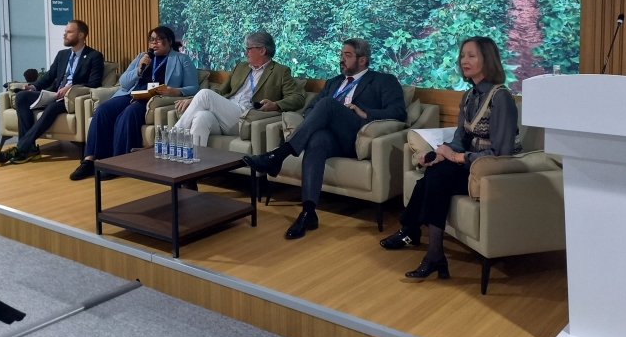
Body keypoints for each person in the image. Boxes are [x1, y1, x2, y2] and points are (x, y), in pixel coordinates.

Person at [381, 36, 522, 280]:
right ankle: (433, 252)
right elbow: (459, 139)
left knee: (436, 178)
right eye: (462, 55)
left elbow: (502, 153)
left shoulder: (501, 97)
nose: (464, 60)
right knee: (435, 173)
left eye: (471, 55)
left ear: (487, 59)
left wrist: (457, 157)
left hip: (493, 171)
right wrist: (438, 154)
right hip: (471, 164)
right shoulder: (469, 96)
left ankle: (414, 233)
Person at [244, 38, 406, 240]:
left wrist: (364, 112)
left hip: (355, 135)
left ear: (362, 59)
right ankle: (308, 212)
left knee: (329, 104)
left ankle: (279, 155)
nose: (341, 59)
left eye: (347, 55)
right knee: (317, 140)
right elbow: (311, 108)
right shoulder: (334, 82)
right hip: (331, 138)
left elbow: (399, 112)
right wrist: (316, 121)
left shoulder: (383, 80)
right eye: (341, 55)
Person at [69, 26, 198, 180]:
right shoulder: (142, 57)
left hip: (154, 99)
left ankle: (117, 163)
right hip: (132, 94)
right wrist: (138, 69)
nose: (154, 43)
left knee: (128, 114)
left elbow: (194, 87)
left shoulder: (181, 59)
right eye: (152, 40)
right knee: (103, 109)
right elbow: (124, 82)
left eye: (159, 39)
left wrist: (175, 91)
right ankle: (90, 160)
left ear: (169, 41)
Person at [0, 19, 104, 165]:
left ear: (81, 35)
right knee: (21, 97)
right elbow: (48, 77)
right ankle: (30, 149)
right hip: (53, 94)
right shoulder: (62, 55)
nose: (65, 34)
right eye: (65, 31)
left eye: (69, 32)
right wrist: (33, 87)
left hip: (70, 99)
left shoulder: (94, 56)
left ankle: (21, 148)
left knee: (52, 107)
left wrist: (71, 87)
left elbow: (95, 83)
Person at [172, 31, 304, 145]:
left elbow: (298, 98)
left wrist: (275, 105)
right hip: (227, 114)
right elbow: (220, 91)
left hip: (246, 116)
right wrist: (195, 100)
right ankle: (194, 162)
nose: (246, 52)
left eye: (249, 49)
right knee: (201, 117)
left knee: (205, 94)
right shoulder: (241, 67)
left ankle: (173, 136)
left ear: (262, 50)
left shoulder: (280, 71)